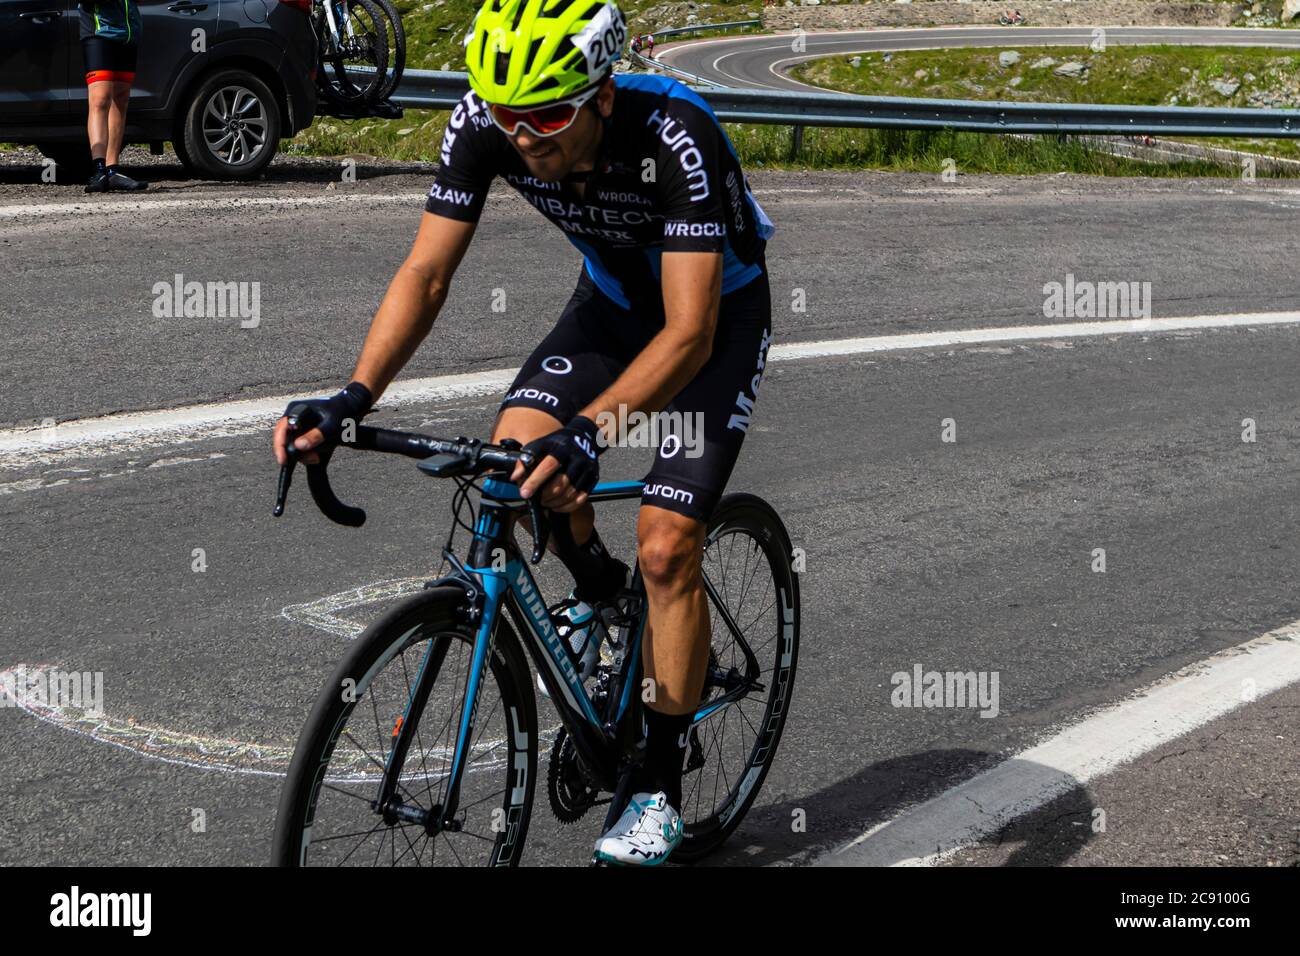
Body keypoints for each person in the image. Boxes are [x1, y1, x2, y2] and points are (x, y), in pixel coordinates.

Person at [272, 0, 774, 866]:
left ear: (602, 95)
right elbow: (426, 274)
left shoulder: (676, 137)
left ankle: (657, 788)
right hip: (614, 309)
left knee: (667, 543)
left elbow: (688, 334)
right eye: (507, 118)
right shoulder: (488, 121)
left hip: (713, 323)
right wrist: (351, 397)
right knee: (510, 468)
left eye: (545, 117)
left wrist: (590, 431)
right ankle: (601, 590)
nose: (524, 138)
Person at [79, 0, 148, 192]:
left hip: (128, 32)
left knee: (121, 99)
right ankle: (99, 170)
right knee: (100, 98)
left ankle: (112, 170)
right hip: (98, 31)